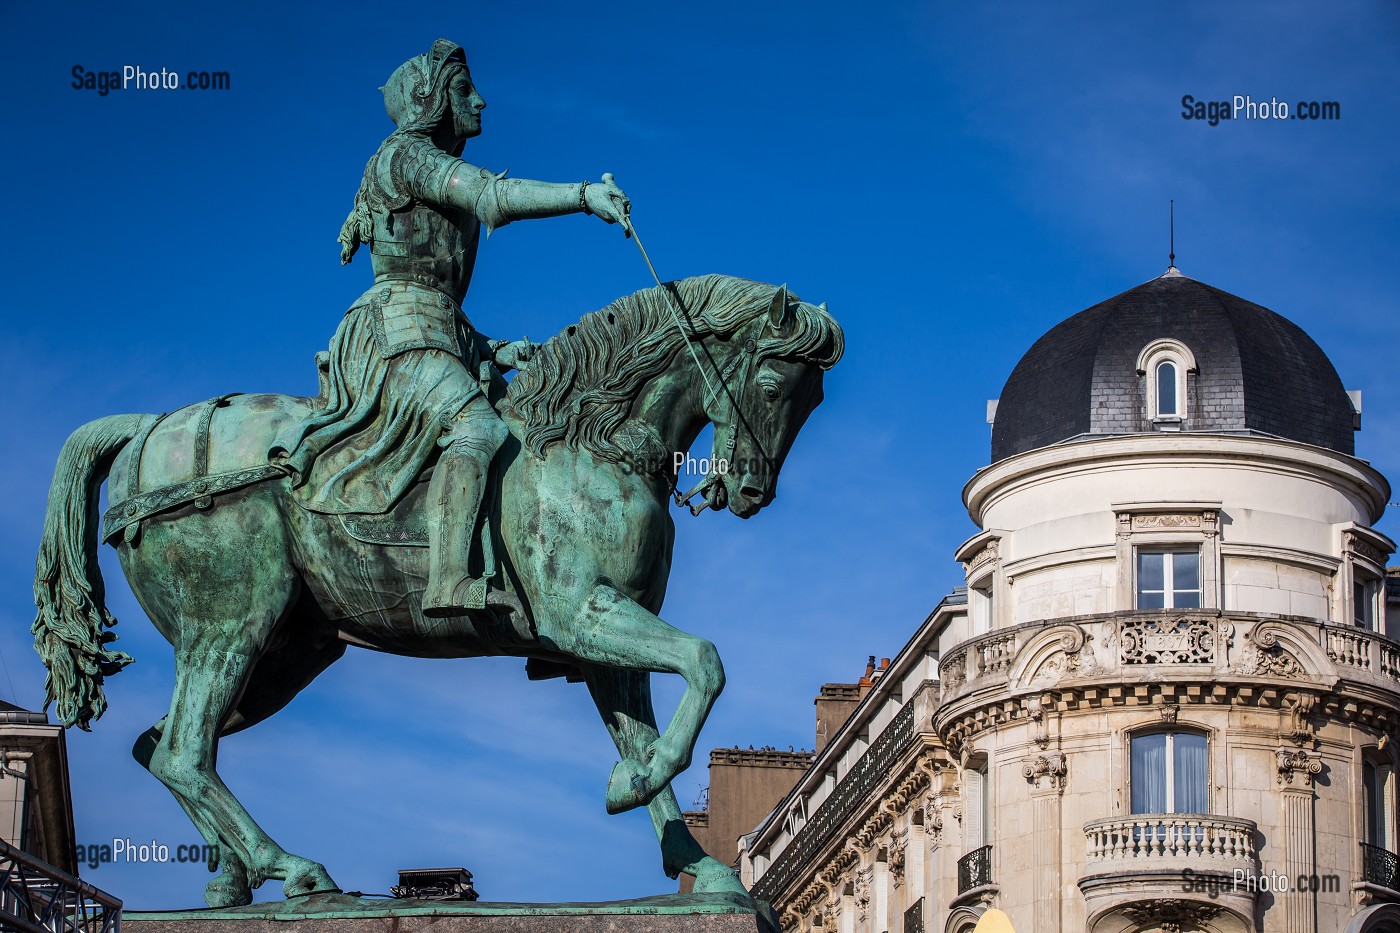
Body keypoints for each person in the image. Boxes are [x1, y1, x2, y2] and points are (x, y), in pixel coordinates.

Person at [272, 38, 630, 617]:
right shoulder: (407, 157)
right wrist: (583, 196)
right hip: (394, 331)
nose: (481, 101)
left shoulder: (425, 163)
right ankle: (446, 581)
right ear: (430, 99)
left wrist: (499, 349)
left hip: (437, 329)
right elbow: (492, 197)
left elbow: (438, 295)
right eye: (464, 90)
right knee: (480, 429)